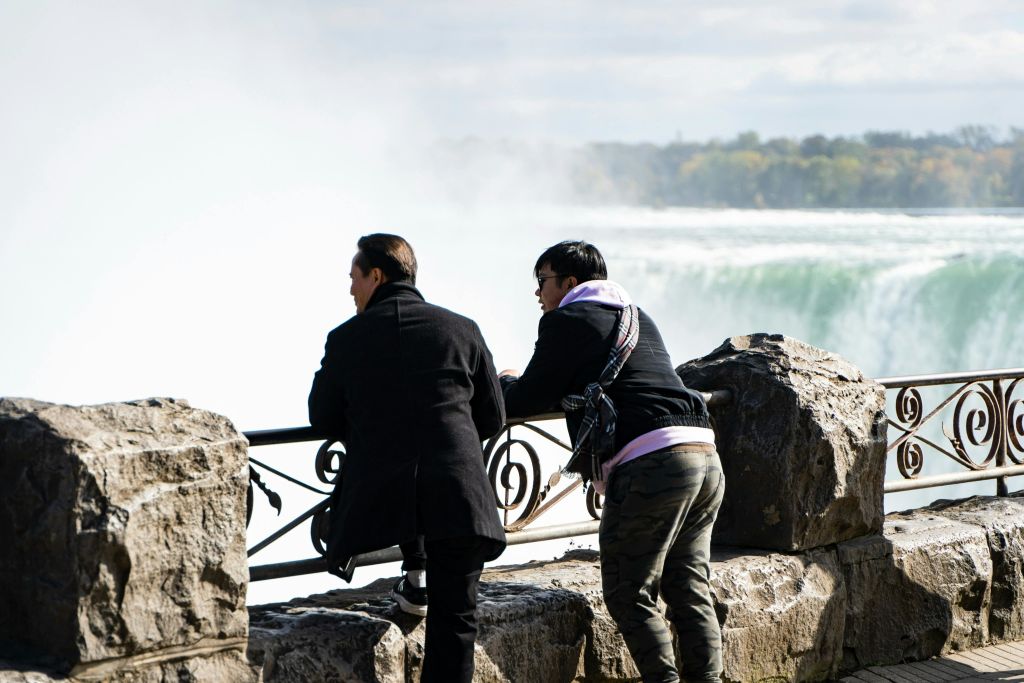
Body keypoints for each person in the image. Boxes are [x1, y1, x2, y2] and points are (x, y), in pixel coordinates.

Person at [499, 240, 724, 683]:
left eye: (542, 281)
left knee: (628, 592)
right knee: (688, 587)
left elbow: (527, 397)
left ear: (569, 282)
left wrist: (505, 382)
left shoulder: (566, 320)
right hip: (704, 454)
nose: (538, 293)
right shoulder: (637, 316)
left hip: (653, 463)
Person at [308, 233, 506, 683]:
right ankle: (416, 579)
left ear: (376, 276)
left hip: (387, 498)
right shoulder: (462, 328)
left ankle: (415, 576)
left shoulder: (346, 339)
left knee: (416, 522)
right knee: (456, 625)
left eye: (354, 277)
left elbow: (321, 416)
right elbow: (493, 417)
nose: (350, 288)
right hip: (460, 494)